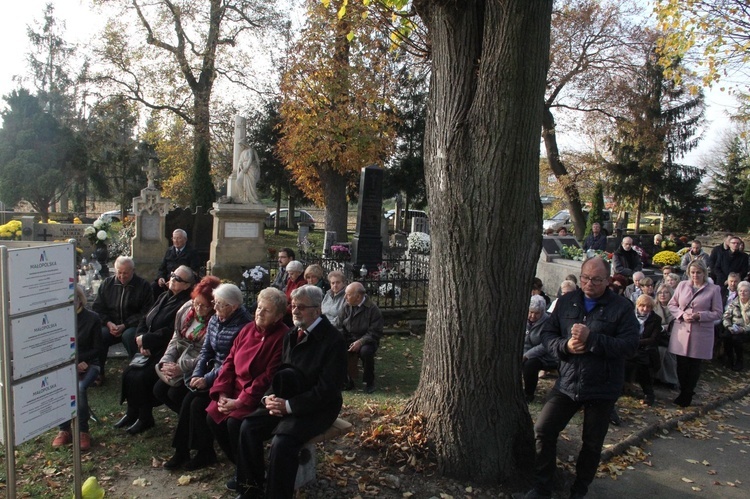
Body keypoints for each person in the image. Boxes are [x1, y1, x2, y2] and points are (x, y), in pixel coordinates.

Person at [523, 257, 639, 499]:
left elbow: (629, 347)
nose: (589, 283)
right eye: (585, 278)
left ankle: (578, 491)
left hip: (602, 387)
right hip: (568, 382)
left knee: (592, 443)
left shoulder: (622, 307)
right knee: (543, 430)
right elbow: (547, 334)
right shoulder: (566, 302)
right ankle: (542, 488)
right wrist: (564, 347)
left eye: (596, 280)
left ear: (607, 280)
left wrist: (592, 340)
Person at [230, 285, 346, 499]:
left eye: (301, 307)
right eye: (293, 306)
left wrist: (289, 406)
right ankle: (250, 488)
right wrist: (269, 397)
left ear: (317, 310)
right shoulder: (292, 334)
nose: (294, 311)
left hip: (317, 407)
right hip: (287, 398)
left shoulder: (333, 341)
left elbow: (327, 390)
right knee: (248, 426)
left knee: (282, 443)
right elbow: (280, 372)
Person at [162, 283, 253, 468]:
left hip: (230, 379)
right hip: (212, 372)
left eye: (219, 304)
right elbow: (206, 352)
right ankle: (186, 451)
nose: (215, 307)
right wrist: (198, 374)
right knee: (186, 398)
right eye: (215, 302)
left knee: (194, 403)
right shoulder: (216, 319)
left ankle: (201, 452)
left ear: (234, 307)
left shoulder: (244, 326)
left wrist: (207, 379)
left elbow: (232, 362)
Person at [206, 288, 289, 480]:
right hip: (233, 390)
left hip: (257, 395)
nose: (259, 312)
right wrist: (223, 394)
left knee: (236, 423)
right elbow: (229, 362)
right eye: (259, 307)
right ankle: (240, 465)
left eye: (266, 310)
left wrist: (240, 401)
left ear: (278, 316)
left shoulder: (283, 336)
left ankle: (252, 475)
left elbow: (269, 376)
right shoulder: (247, 329)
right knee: (213, 417)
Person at [115, 266, 195, 435]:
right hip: (148, 347)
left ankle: (145, 417)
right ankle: (132, 412)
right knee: (129, 372)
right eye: (172, 275)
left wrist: (147, 340)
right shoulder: (164, 296)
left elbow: (171, 331)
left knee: (142, 377)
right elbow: (146, 318)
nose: (173, 279)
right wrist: (141, 339)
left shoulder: (185, 304)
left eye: (178, 279)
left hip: (165, 350)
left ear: (187, 285)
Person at [153, 276, 221, 415]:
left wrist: (181, 368)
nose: (198, 308)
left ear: (213, 305)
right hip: (180, 355)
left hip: (198, 365)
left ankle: (188, 421)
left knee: (176, 394)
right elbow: (176, 337)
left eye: (204, 305)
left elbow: (209, 353)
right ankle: (185, 417)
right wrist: (167, 361)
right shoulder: (186, 309)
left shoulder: (216, 321)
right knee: (158, 390)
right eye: (196, 303)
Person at [52, 285, 102, 451]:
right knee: (61, 387)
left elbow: (97, 348)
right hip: (67, 364)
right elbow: (56, 347)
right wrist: (74, 362)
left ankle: (82, 431)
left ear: (80, 300)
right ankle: (64, 429)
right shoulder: (58, 319)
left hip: (90, 364)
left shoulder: (92, 318)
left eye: (72, 300)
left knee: (79, 387)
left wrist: (83, 361)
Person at [668, 261, 723, 407]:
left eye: (698, 272)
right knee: (681, 364)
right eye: (692, 272)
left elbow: (718, 313)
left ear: (704, 273)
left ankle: (688, 393)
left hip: (701, 332)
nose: (695, 275)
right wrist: (681, 314)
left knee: (694, 365)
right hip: (682, 329)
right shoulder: (682, 285)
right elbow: (672, 305)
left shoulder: (713, 289)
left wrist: (700, 316)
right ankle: (683, 389)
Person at [93, 256, 154, 382]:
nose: (122, 276)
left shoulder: (143, 286)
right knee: (100, 335)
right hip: (111, 325)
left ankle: (137, 372)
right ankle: (98, 372)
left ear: (133, 271)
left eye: (125, 273)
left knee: (129, 336)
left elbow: (146, 312)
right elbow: (98, 308)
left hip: (132, 325)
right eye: (119, 272)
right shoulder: (107, 284)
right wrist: (108, 323)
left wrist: (125, 325)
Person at [340, 282, 384, 393]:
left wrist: (361, 341)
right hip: (349, 337)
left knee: (366, 352)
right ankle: (346, 380)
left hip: (367, 340)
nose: (345, 297)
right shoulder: (346, 306)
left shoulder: (373, 310)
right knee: (338, 349)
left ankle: (369, 382)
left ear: (358, 297)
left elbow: (375, 332)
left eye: (348, 294)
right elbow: (340, 325)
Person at [627, 295, 662, 406]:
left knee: (644, 364)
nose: (645, 309)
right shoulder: (629, 316)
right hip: (629, 346)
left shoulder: (656, 319)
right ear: (637, 305)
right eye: (642, 306)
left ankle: (649, 394)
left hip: (646, 348)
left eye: (648, 307)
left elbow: (653, 338)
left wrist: (637, 342)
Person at [522, 295, 556, 402]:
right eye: (531, 312)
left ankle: (529, 394)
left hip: (545, 356)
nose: (532, 316)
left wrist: (527, 355)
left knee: (530, 364)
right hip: (525, 353)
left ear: (542, 312)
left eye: (536, 313)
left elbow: (546, 344)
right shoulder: (523, 320)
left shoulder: (548, 322)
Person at [153, 229, 201, 298]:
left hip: (180, 282)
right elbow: (162, 268)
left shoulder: (192, 252)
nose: (176, 241)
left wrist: (174, 281)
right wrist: (161, 278)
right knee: (153, 287)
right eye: (174, 238)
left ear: (185, 239)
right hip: (166, 280)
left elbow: (194, 272)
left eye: (179, 238)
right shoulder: (169, 251)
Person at [653, 284, 678, 388]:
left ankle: (670, 380)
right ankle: (656, 377)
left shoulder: (676, 309)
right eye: (660, 293)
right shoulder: (653, 307)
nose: (662, 295)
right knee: (659, 350)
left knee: (667, 351)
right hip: (655, 337)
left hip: (673, 337)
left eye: (665, 292)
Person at [722, 280, 750, 371]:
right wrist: (729, 326)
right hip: (734, 327)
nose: (742, 293)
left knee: (737, 339)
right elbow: (726, 317)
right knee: (726, 335)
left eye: (745, 291)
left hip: (747, 330)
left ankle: (739, 361)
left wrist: (743, 329)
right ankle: (729, 358)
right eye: (741, 291)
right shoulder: (734, 302)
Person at [235, 140, 261, 205]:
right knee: (238, 181)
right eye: (240, 145)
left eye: (241, 145)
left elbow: (250, 159)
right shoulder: (242, 152)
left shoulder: (250, 150)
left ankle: (252, 198)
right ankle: (242, 198)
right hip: (243, 169)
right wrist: (241, 167)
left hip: (250, 169)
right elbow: (240, 161)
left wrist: (246, 168)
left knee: (251, 184)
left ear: (244, 144)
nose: (241, 146)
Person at [283, 260, 306, 325]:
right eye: (288, 273)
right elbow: (286, 297)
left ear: (299, 273)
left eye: (292, 274)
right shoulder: (290, 281)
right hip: (287, 308)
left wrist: (283, 309)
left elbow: (297, 302)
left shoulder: (302, 283)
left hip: (293, 311)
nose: (289, 276)